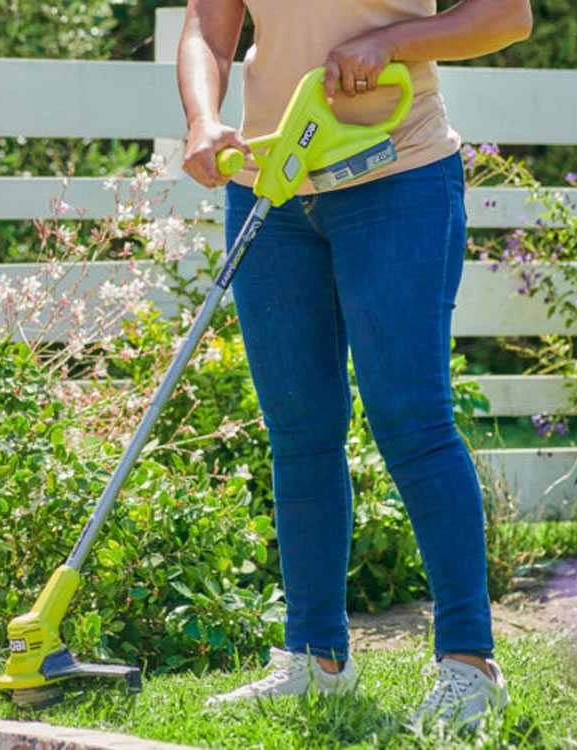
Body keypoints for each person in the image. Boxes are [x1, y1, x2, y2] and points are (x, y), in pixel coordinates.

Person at [176, 0, 532, 729]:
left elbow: (507, 16)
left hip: (396, 174)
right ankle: (315, 660)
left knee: (412, 421)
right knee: (299, 429)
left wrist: (394, 41)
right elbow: (208, 30)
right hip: (273, 179)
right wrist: (203, 120)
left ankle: (470, 666)